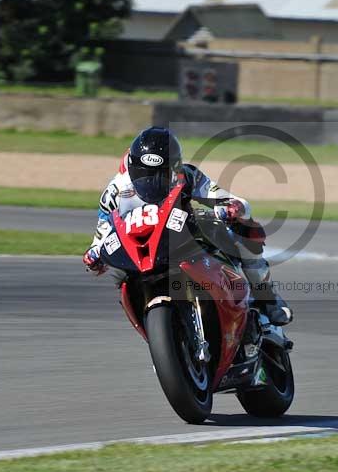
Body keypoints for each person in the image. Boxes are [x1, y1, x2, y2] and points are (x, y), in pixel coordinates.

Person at [83, 126, 292, 326]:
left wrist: (233, 208)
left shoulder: (188, 175)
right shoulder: (115, 192)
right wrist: (94, 254)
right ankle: (149, 319)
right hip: (141, 249)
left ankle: (267, 298)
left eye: (161, 174)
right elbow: (102, 232)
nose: (152, 182)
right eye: (144, 173)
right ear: (131, 167)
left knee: (244, 233)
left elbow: (227, 198)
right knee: (118, 274)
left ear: (175, 168)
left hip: (182, 234)